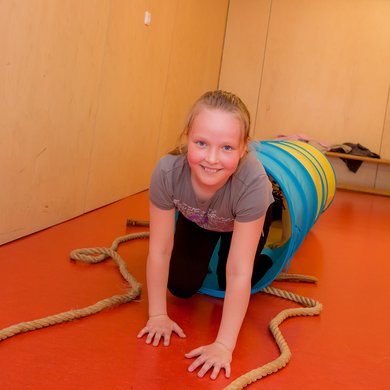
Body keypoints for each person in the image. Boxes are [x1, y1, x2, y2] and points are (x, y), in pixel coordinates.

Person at [137, 90, 274, 380]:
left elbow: (238, 272)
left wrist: (224, 346)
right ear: (187, 137)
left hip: (241, 221)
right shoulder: (167, 172)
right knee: (181, 286)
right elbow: (160, 249)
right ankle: (207, 255)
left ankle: (262, 261)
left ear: (243, 148)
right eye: (201, 143)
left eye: (226, 147)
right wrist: (158, 315)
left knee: (232, 280)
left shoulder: (254, 183)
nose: (212, 159)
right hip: (197, 218)